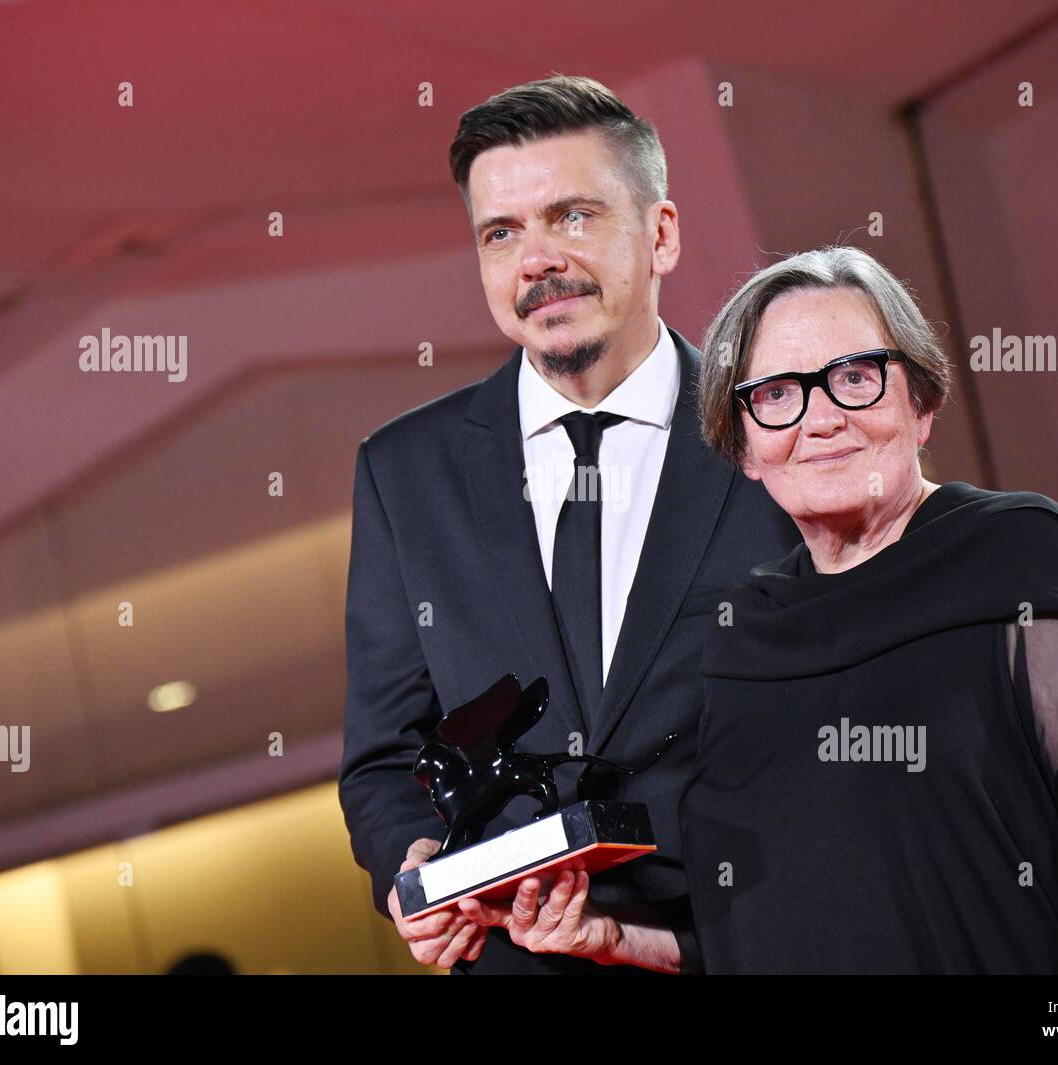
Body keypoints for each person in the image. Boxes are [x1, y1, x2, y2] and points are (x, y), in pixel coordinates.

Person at [338, 75, 801, 974]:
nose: (536, 260)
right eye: (501, 233)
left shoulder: (773, 436)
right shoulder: (405, 472)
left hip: (748, 945)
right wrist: (413, 866)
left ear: (661, 233)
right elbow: (385, 756)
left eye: (573, 217)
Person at [676, 244, 1058, 973]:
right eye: (777, 393)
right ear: (742, 441)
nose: (822, 418)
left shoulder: (1018, 552)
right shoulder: (744, 635)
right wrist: (625, 941)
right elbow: (769, 907)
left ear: (922, 402)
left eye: (855, 377)